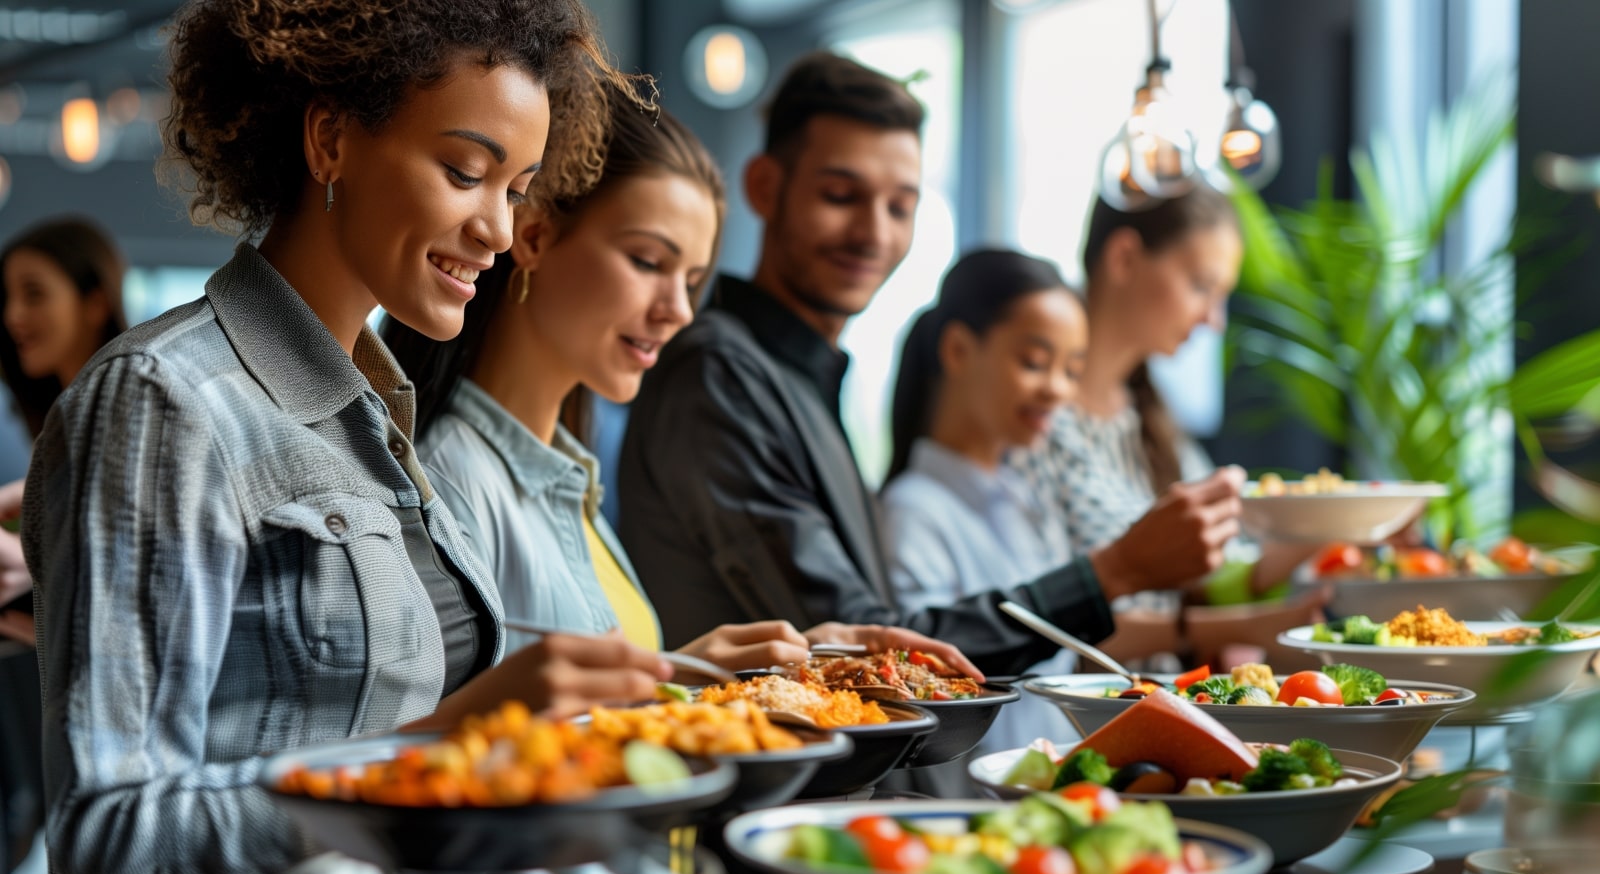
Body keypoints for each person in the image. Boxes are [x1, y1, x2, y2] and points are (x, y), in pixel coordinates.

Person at [22, 3, 676, 874]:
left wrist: (681, 684)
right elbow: (112, 834)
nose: (497, 228)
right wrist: (431, 751)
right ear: (330, 139)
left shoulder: (379, 418)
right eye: (464, 171)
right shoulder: (166, 399)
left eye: (517, 188)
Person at [617, 50, 1246, 679]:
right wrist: (1118, 571)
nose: (874, 233)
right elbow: (864, 645)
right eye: (841, 195)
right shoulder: (720, 373)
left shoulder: (798, 376)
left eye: (900, 206)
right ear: (764, 188)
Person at [382, 83, 979, 675]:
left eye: (691, 280)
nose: (679, 310)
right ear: (535, 235)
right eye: (647, 262)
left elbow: (586, 711)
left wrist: (709, 671)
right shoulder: (452, 480)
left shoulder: (569, 482)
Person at [1008, 189, 1318, 660]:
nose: (1213, 321)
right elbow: (1039, 620)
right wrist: (1248, 628)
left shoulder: (1149, 420)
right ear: (1125, 257)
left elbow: (1217, 573)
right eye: (1200, 286)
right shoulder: (1034, 425)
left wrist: (1333, 528)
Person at [879, 249, 1088, 753]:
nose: (1058, 389)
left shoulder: (1026, 496)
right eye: (1035, 362)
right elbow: (921, 682)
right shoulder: (912, 511)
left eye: (1073, 370)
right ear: (957, 350)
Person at [0, 217, 127, 874]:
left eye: (34, 293)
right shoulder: (59, 427)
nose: (14, 315)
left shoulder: (125, 419)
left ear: (95, 299)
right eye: (7, 297)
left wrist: (33, 568)